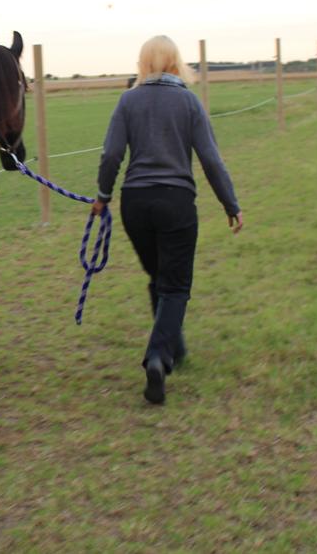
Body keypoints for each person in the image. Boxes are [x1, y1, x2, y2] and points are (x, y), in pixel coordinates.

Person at [91, 35, 243, 405]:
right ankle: (158, 357)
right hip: (176, 202)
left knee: (160, 278)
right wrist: (230, 204)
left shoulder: (128, 100)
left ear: (143, 63)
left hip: (135, 204)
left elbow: (111, 154)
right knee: (174, 285)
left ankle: (174, 345)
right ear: (177, 62)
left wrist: (103, 195)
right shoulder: (188, 102)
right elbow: (211, 159)